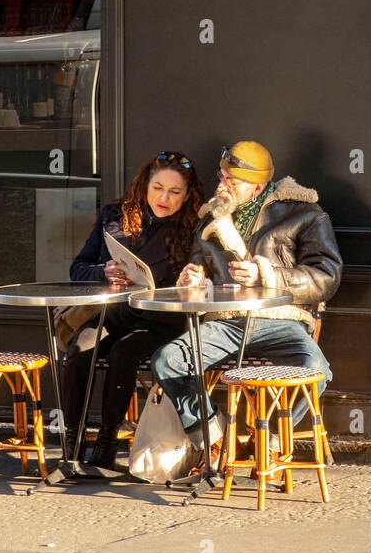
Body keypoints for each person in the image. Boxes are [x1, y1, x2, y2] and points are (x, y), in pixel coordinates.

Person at [152, 140, 342, 457]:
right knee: (167, 361)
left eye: (232, 181)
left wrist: (265, 275)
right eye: (222, 176)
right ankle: (213, 440)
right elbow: (200, 270)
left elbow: (327, 277)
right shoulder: (210, 218)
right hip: (225, 323)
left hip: (281, 320)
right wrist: (195, 281)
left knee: (316, 368)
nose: (222, 185)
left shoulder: (304, 214)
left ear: (257, 188)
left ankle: (270, 438)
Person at [62, 150, 204, 468]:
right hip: (115, 313)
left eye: (174, 191)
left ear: (187, 195)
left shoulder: (193, 227)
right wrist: (104, 271)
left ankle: (108, 441)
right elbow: (78, 268)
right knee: (81, 345)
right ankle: (72, 441)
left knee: (124, 352)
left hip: (160, 322)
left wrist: (193, 277)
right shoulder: (115, 215)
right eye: (158, 188)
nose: (164, 198)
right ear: (144, 184)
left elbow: (205, 277)